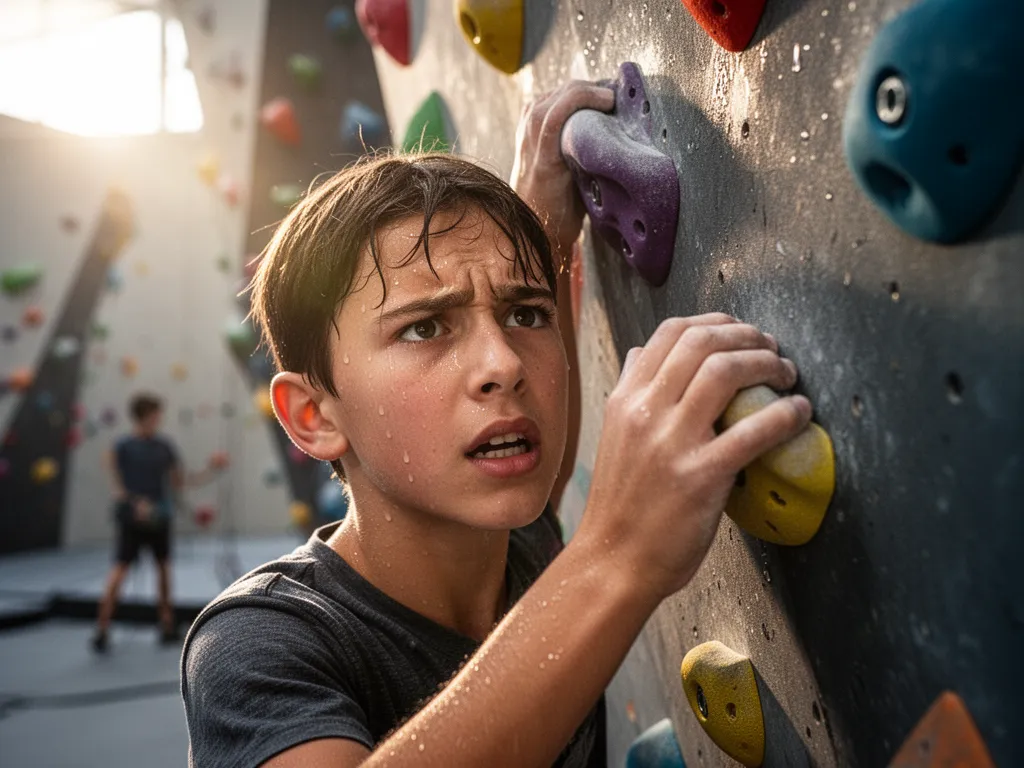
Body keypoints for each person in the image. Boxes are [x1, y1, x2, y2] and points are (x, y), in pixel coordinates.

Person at [181, 82, 813, 767]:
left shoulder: (517, 541)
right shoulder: (260, 643)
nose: (504, 364)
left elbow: (548, 430)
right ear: (314, 417)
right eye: (425, 327)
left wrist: (540, 219)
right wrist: (618, 556)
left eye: (524, 315)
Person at [92, 393, 224, 652]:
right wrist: (135, 503)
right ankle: (102, 629)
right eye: (155, 415)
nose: (159, 419)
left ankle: (166, 626)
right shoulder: (122, 446)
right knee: (120, 569)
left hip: (159, 518)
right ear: (144, 416)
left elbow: (180, 482)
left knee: (163, 568)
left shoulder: (164, 446)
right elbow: (117, 486)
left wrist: (212, 468)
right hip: (132, 518)